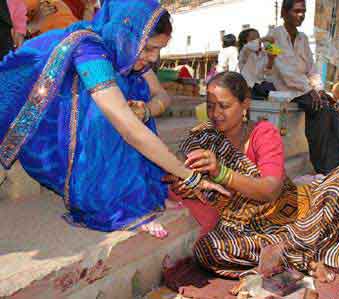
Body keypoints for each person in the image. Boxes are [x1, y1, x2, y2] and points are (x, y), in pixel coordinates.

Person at [0, 0, 229, 236]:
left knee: (134, 93)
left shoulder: (128, 49)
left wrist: (147, 110)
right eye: (150, 49)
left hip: (82, 118)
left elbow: (162, 96)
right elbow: (126, 125)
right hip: (48, 133)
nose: (153, 58)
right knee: (108, 106)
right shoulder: (90, 48)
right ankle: (113, 202)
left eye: (158, 50)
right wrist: (190, 177)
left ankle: (141, 192)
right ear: (126, 33)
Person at [168, 72, 339, 284]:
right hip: (248, 230)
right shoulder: (203, 136)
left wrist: (222, 173)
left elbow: (271, 189)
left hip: (295, 217)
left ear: (245, 104)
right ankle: (302, 258)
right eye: (210, 106)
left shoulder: (263, 132)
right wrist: (185, 180)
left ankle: (303, 257)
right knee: (207, 250)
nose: (215, 113)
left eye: (224, 106)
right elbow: (178, 167)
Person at [265, 0, 339, 175]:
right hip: (282, 88)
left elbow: (311, 68)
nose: (301, 15)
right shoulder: (272, 38)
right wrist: (310, 91)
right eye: (296, 11)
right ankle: (322, 168)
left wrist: (319, 89)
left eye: (303, 12)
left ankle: (332, 166)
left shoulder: (303, 39)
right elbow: (284, 69)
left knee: (335, 115)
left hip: (302, 89)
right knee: (320, 109)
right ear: (284, 13)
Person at [237, 28, 275, 100]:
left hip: (262, 87)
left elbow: (278, 54)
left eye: (258, 37)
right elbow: (250, 46)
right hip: (249, 88)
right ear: (244, 42)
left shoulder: (264, 52)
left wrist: (271, 58)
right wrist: (264, 39)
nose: (257, 40)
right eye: (252, 38)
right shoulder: (244, 51)